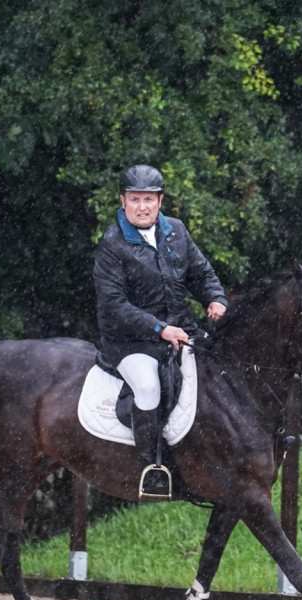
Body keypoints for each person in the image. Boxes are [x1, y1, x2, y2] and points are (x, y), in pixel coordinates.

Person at [93, 164, 228, 498]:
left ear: (160, 200)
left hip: (180, 330)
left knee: (219, 368)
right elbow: (113, 304)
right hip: (130, 341)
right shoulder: (112, 243)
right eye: (135, 199)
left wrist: (216, 299)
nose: (142, 206)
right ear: (122, 201)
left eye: (149, 200)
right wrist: (159, 328)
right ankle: (153, 467)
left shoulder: (176, 231)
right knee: (150, 386)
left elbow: (201, 273)